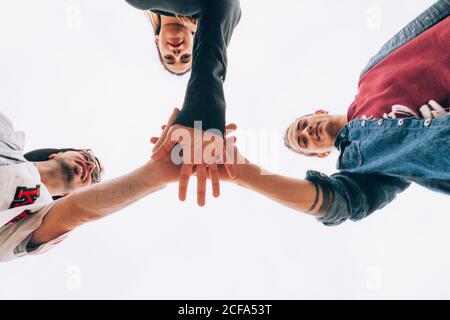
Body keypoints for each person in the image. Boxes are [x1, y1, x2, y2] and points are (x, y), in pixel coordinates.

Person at [187, 0, 449, 227]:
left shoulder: (369, 76)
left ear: (318, 112)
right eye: (304, 142)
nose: (306, 132)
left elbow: (427, 26)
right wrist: (243, 173)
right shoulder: (363, 165)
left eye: (302, 125)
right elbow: (339, 202)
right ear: (321, 153)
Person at [0, 109, 189, 262]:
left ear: (76, 193)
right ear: (56, 154)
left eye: (96, 176)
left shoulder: (28, 221)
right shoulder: (7, 139)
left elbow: (78, 210)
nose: (91, 166)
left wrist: (155, 173)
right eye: (88, 156)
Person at [124, 0, 242, 206]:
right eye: (187, 57)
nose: (176, 54)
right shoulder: (211, 10)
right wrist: (204, 105)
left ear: (156, 42)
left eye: (169, 58)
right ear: (197, 39)